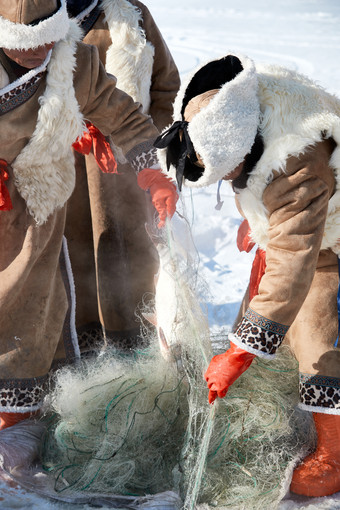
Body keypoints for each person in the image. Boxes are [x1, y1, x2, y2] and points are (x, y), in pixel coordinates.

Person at [154, 53, 340, 498]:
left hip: (330, 239)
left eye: (226, 174)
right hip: (304, 219)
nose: (225, 180)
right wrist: (257, 215)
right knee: (253, 319)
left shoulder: (297, 162)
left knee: (314, 329)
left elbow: (294, 262)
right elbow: (248, 173)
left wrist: (237, 356)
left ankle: (334, 452)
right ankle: (295, 407)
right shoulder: (232, 108)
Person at [0, 0, 177, 430]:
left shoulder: (74, 63)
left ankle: (17, 414)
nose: (39, 52)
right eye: (27, 46)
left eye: (48, 40)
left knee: (30, 300)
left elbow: (124, 115)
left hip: (36, 197)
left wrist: (152, 172)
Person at [64, 0, 180, 353]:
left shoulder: (131, 14)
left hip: (126, 161)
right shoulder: (37, 19)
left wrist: (150, 140)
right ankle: (77, 343)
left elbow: (166, 84)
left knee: (126, 245)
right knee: (72, 247)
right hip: (61, 160)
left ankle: (135, 345)